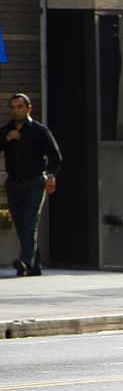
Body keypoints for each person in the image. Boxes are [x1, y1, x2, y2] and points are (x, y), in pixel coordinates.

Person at [4, 93, 62, 277]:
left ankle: (24, 261)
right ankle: (34, 265)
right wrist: (6, 140)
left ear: (28, 109)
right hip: (14, 183)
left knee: (30, 222)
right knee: (22, 225)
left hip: (35, 182)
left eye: (20, 107)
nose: (16, 110)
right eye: (13, 107)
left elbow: (56, 157)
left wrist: (51, 175)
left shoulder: (40, 130)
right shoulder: (6, 131)